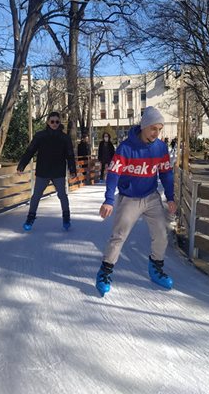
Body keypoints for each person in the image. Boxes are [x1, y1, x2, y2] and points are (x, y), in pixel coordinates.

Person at [96, 106, 177, 297]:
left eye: (159, 129)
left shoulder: (160, 147)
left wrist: (170, 197)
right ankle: (105, 272)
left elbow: (166, 173)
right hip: (129, 198)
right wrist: (108, 200)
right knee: (119, 236)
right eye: (153, 129)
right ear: (144, 126)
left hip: (151, 196)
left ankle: (156, 267)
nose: (156, 133)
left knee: (161, 234)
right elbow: (114, 173)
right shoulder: (126, 148)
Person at [17, 111, 77, 231]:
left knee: (62, 195)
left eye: (57, 122)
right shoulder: (40, 136)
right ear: (48, 122)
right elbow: (30, 150)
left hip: (58, 171)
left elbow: (70, 154)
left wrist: (72, 169)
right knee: (36, 196)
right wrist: (22, 165)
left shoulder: (65, 138)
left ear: (59, 123)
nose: (54, 124)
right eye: (52, 121)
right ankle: (30, 217)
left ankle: (66, 217)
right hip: (43, 171)